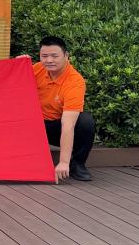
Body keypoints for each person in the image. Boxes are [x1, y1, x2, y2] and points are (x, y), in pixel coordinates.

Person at [32, 36, 95, 181]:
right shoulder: (36, 69)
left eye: (55, 56)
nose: (49, 60)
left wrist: (63, 162)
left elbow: (68, 124)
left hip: (57, 127)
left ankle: (77, 164)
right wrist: (19, 64)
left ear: (66, 56)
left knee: (86, 122)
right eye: (44, 56)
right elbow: (9, 83)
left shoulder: (75, 81)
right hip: (34, 124)